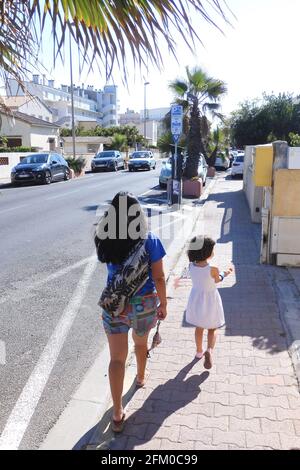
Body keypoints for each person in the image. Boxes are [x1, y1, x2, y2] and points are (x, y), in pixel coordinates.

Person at [95, 191, 167, 433]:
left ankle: (116, 413)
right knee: (140, 343)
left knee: (116, 358)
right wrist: (164, 304)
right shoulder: (151, 240)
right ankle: (141, 377)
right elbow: (158, 276)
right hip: (144, 305)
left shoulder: (105, 238)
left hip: (115, 305)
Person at [186, 236, 233, 369]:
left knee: (199, 327)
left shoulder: (191, 265)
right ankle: (209, 350)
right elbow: (217, 280)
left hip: (196, 298)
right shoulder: (213, 268)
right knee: (212, 328)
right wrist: (226, 273)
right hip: (211, 299)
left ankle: (199, 352)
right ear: (206, 252)